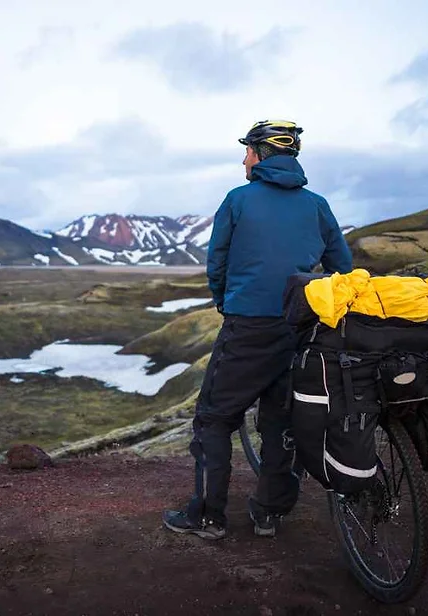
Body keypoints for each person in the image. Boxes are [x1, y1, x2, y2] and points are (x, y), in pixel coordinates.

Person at [162, 120, 353, 540]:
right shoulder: (318, 205)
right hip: (301, 329)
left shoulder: (238, 200)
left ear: (263, 155)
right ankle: (269, 514)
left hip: (248, 326)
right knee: (281, 422)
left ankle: (208, 517)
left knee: (213, 418)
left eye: (248, 151)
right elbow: (344, 269)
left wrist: (224, 299)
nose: (243, 158)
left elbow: (218, 263)